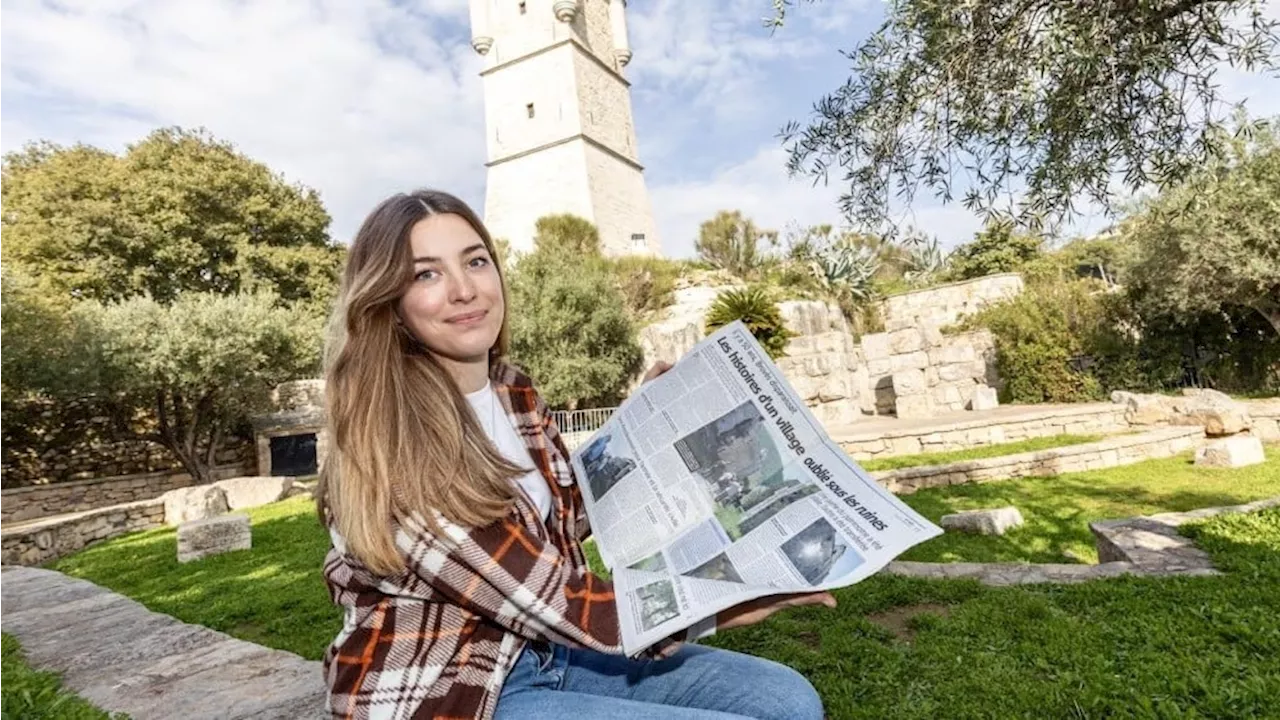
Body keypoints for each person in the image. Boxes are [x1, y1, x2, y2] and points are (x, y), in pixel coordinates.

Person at [315, 188, 835, 720]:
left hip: (545, 653)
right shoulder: (397, 438)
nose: (464, 290)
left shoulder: (511, 391)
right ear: (390, 304)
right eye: (426, 274)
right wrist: (718, 603)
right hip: (450, 687)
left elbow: (564, 511)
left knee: (786, 699)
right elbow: (550, 595)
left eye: (475, 261)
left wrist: (647, 425)